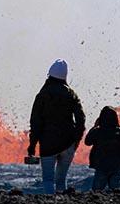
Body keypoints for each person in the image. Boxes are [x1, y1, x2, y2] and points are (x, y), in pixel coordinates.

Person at [28, 59, 86, 194]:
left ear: (50, 75)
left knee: (48, 179)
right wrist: (75, 141)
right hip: (68, 143)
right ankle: (62, 203)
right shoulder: (72, 95)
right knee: (61, 179)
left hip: (48, 144)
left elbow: (36, 122)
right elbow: (81, 120)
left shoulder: (42, 95)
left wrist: (32, 144)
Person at [84, 106, 120, 192]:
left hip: (101, 165)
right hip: (116, 165)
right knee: (116, 191)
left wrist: (94, 127)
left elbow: (87, 142)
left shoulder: (97, 131)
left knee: (96, 192)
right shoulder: (119, 132)